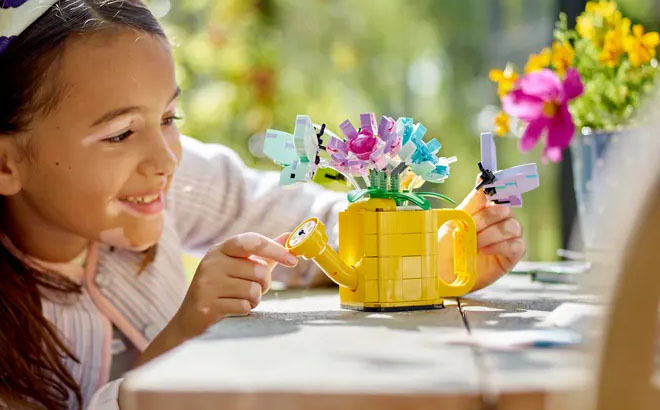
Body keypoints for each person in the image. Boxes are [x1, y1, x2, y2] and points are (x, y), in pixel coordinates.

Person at [0, 1, 526, 408]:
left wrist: (425, 261)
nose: (164, 158)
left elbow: (303, 219)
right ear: (7, 163)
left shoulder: (172, 181)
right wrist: (183, 336)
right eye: (119, 134)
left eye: (168, 118)